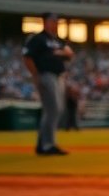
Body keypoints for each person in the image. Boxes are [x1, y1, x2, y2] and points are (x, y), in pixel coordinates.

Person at [23, 12, 74, 156]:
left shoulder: (58, 40)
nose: (56, 24)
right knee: (53, 109)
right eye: (53, 21)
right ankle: (48, 145)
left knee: (56, 109)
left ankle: (43, 143)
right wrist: (36, 75)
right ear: (45, 22)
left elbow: (69, 53)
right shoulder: (38, 38)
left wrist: (59, 53)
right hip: (46, 75)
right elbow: (27, 57)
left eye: (57, 21)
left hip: (59, 76)